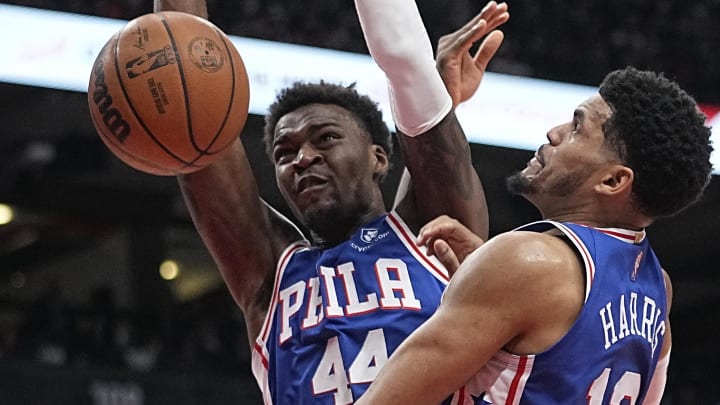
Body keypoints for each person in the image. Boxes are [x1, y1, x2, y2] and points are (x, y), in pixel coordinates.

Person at [153, 0, 508, 403]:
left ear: (379, 157)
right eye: (284, 153)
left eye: (325, 139)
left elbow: (405, 61)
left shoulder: (431, 235)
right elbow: (190, 107)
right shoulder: (272, 274)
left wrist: (431, 88)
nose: (302, 159)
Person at [355, 66, 713, 404]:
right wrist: (487, 280)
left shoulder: (525, 263)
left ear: (613, 181)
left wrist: (502, 273)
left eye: (576, 128)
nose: (554, 133)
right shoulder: (656, 288)